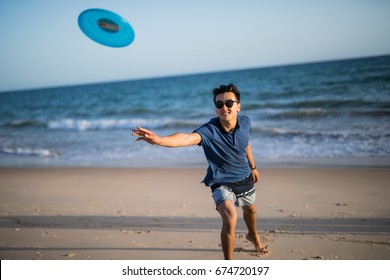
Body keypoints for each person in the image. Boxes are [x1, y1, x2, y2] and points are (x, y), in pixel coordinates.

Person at [132, 83, 269, 259]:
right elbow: (185, 138)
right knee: (230, 217)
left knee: (250, 211)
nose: (224, 108)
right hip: (220, 182)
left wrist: (253, 167)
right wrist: (159, 140)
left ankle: (253, 236)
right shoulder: (209, 131)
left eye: (229, 103)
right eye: (219, 104)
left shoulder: (246, 121)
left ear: (238, 106)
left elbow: (246, 144)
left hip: (244, 176)